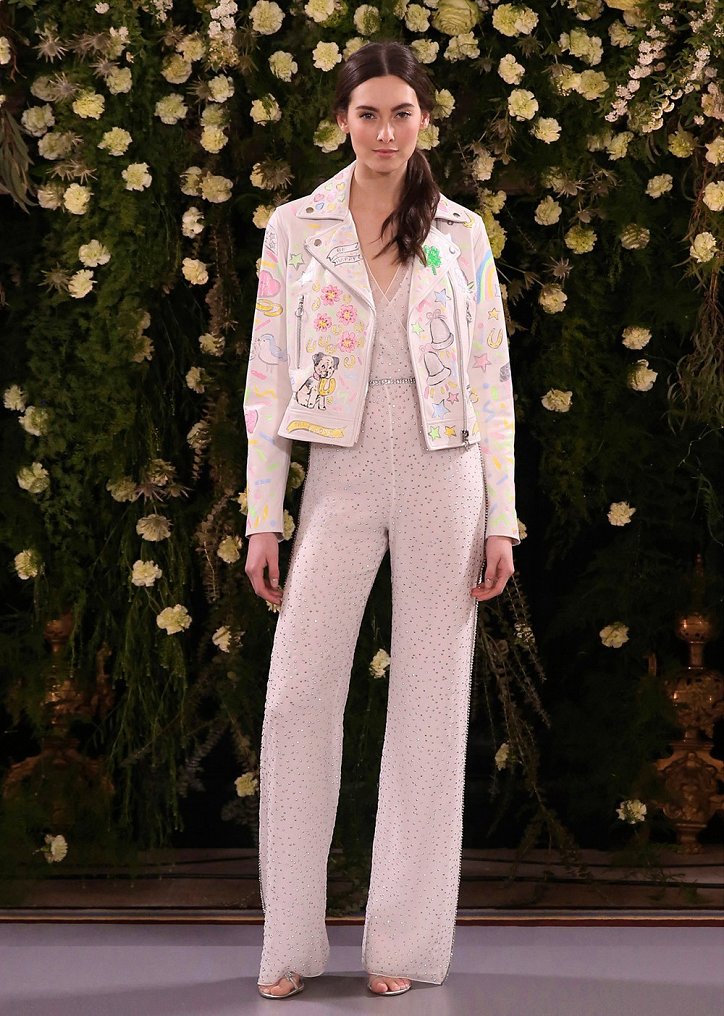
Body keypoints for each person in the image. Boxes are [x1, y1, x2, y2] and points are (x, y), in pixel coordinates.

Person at [243, 40, 519, 1000]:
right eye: (369, 113)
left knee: (431, 706)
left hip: (447, 468)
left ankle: (403, 941)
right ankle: (289, 943)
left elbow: (492, 379)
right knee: (295, 697)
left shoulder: (461, 234)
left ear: (424, 121)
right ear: (342, 120)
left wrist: (502, 519)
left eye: (403, 113)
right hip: (341, 468)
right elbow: (267, 380)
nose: (386, 131)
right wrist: (265, 519)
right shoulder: (296, 227)